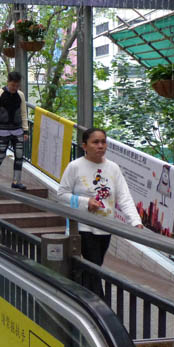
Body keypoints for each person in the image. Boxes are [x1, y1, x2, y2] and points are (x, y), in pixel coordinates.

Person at [57, 127, 143, 298]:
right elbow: (61, 195)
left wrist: (135, 222)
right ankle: (99, 305)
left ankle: (80, 297)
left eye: (103, 142)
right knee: (93, 266)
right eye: (95, 142)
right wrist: (85, 202)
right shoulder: (75, 166)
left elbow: (124, 197)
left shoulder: (113, 168)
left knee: (93, 267)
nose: (100, 146)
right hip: (82, 226)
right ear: (84, 145)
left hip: (105, 227)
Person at [0, 71, 29, 190]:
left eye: (17, 86)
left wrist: (25, 130)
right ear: (8, 82)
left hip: (17, 129)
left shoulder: (20, 95)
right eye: (12, 85)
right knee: (1, 154)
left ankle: (16, 180)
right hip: (2, 129)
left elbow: (24, 113)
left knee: (19, 155)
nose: (14, 88)